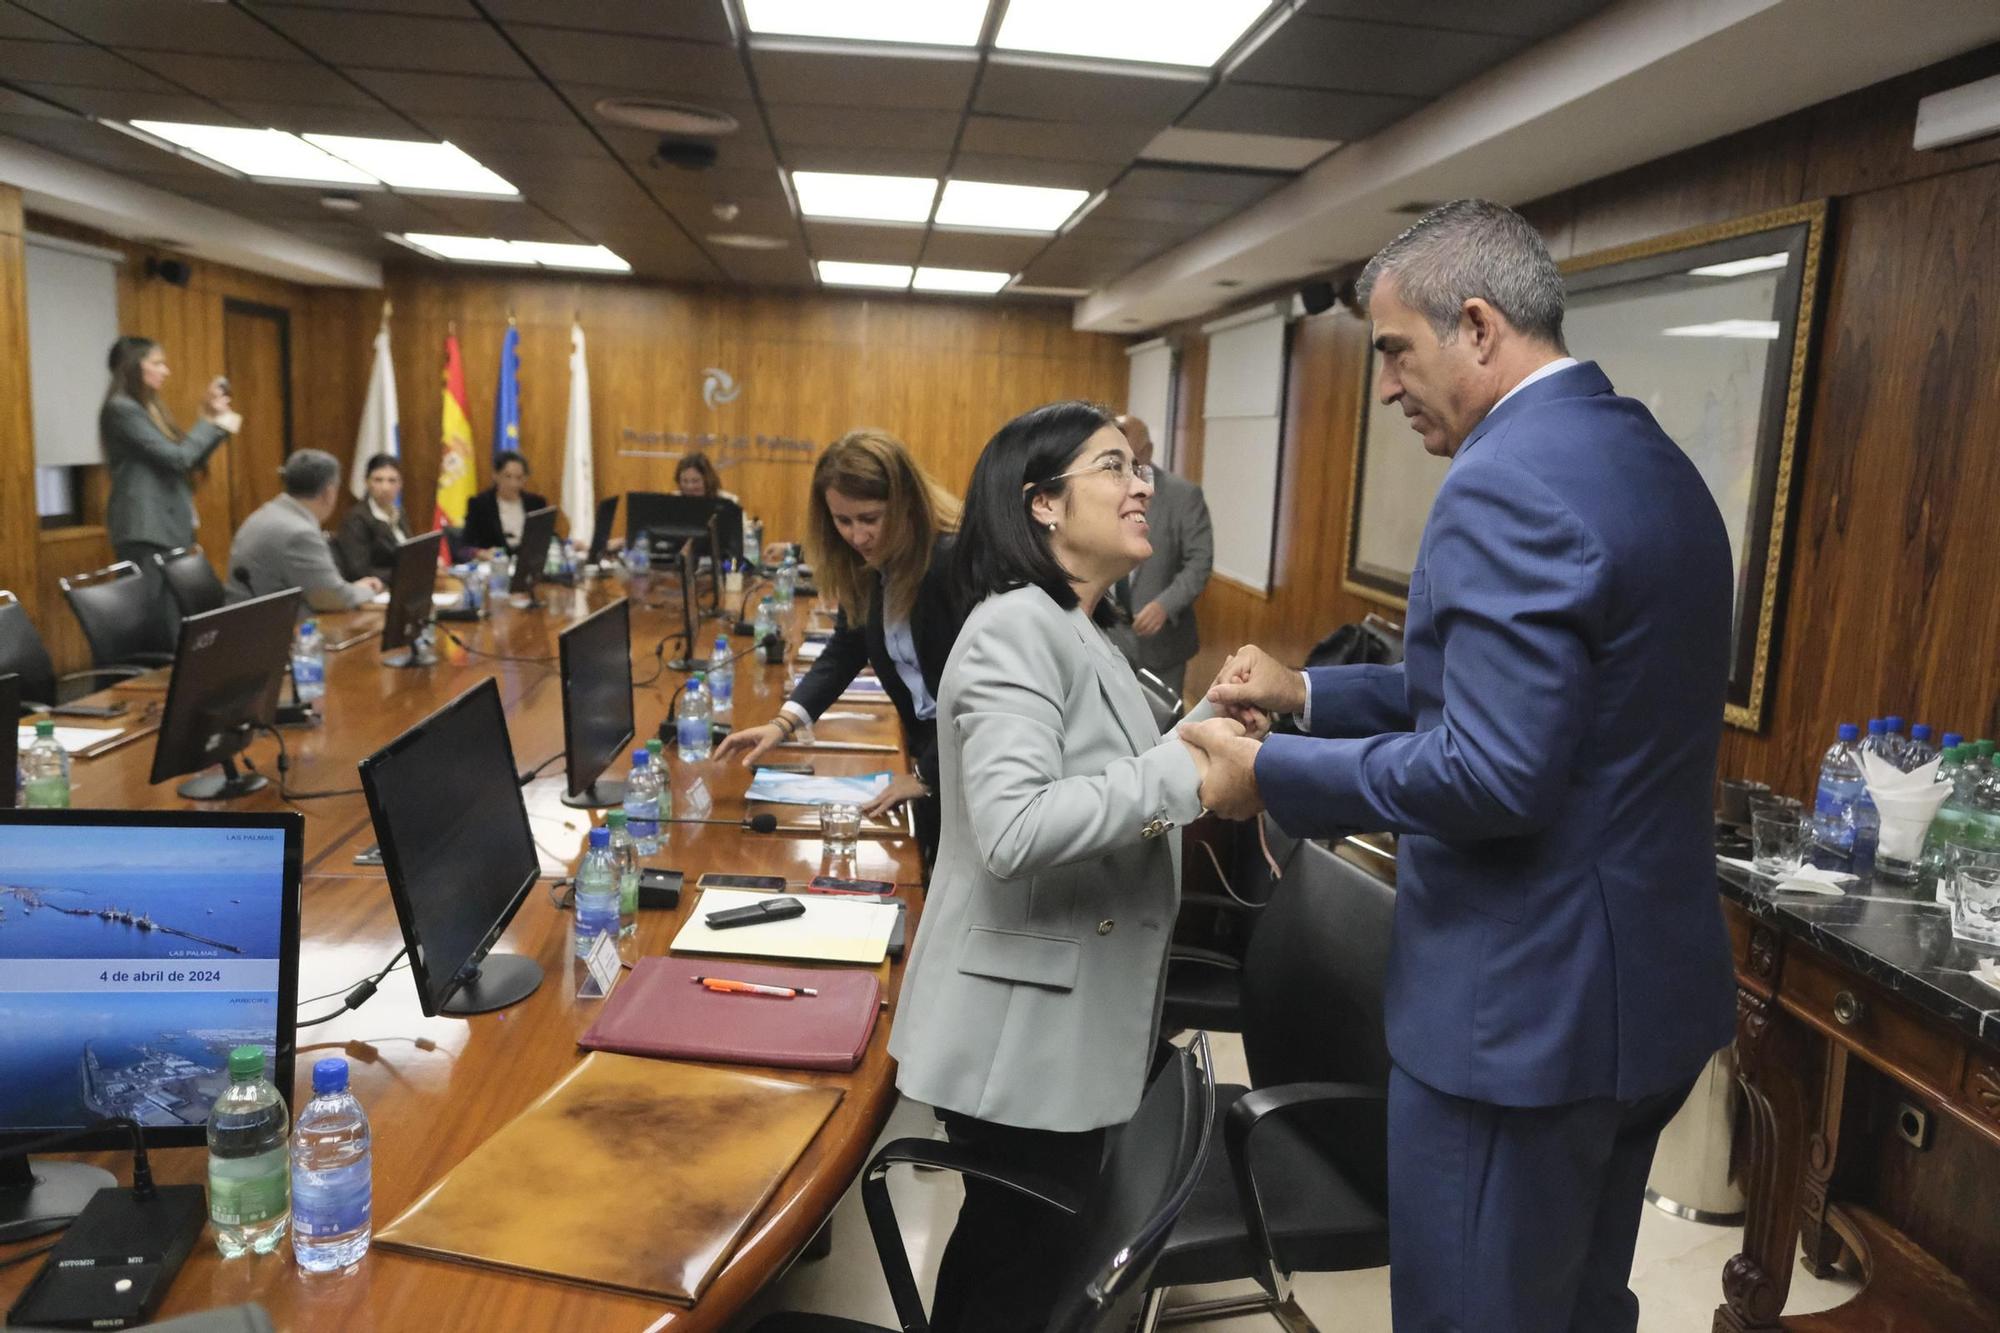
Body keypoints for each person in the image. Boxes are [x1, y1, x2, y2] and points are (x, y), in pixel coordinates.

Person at [1181, 199, 1737, 1333]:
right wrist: (1305, 695)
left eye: (1394, 350)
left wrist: (1267, 776)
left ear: (1477, 328)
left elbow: (1490, 774)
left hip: (1516, 1022)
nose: (1384, 386)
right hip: (1642, 1007)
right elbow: (1536, 702)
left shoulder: (1500, 481)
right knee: (1578, 1307)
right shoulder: (1646, 458)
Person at [887, 400, 1237, 1333]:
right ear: (1042, 505)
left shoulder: (1077, 625)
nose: (1142, 486)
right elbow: (1013, 824)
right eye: (1114, 468)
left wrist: (1196, 739)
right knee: (1012, 1266)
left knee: (1020, 1255)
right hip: (1020, 1030)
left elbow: (1101, 771)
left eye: (1139, 468)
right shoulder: (1014, 629)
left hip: (1060, 1017)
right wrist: (1184, 769)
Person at [713, 430, 960, 857]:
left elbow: (979, 694)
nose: (857, 535)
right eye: (842, 521)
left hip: (967, 762)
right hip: (930, 749)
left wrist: (926, 776)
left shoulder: (948, 562)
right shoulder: (868, 562)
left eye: (869, 518)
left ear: (906, 505)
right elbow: (849, 644)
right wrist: (783, 723)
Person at [100, 336, 240, 638]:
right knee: (158, 618)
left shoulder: (150, 408)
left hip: (165, 525)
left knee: (176, 615)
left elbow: (185, 459)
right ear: (134, 366)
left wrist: (216, 422)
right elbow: (178, 458)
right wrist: (210, 421)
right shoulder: (121, 409)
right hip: (145, 528)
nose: (166, 371)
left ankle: (175, 675)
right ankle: (160, 679)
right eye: (157, 363)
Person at [1104, 413, 1212, 699]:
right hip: (1108, 636)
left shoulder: (1183, 496)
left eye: (1131, 457)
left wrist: (1165, 605)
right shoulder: (1102, 492)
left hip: (1162, 645)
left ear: (1148, 452)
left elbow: (1199, 562)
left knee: (1161, 729)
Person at [225, 450, 384, 613]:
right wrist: (370, 590)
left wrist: (350, 589)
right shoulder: (298, 533)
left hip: (250, 621)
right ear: (328, 492)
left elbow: (324, 589)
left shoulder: (268, 513)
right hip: (268, 629)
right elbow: (331, 599)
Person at [333, 453, 407, 583]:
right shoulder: (356, 518)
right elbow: (359, 571)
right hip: (375, 591)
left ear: (400, 484)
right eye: (378, 480)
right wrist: (406, 571)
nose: (385, 487)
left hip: (403, 585)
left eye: (392, 480)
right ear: (367, 482)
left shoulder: (399, 512)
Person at [461, 450, 547, 556]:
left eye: (519, 478)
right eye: (508, 476)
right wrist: (479, 553)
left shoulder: (536, 503)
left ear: (525, 478)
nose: (513, 483)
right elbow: (465, 546)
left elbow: (548, 537)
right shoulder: (480, 504)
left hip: (527, 563)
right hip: (495, 566)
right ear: (495, 475)